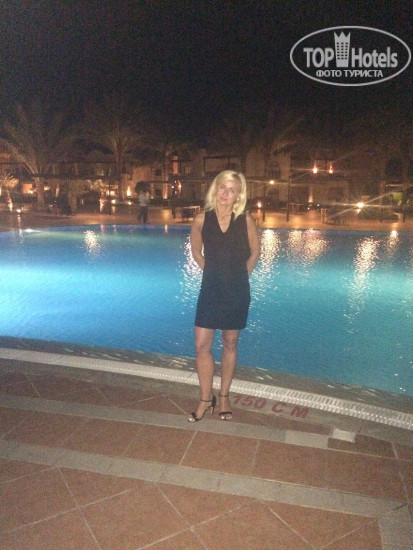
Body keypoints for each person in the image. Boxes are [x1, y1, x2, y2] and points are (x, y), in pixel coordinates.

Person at [188, 170, 260, 422]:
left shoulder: (245, 219)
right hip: (210, 289)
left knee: (230, 343)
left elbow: (255, 252)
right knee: (201, 345)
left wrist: (240, 276)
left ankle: (224, 396)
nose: (226, 194)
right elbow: (196, 252)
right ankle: (205, 399)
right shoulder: (201, 219)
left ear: (239, 195)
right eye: (223, 187)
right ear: (215, 188)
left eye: (232, 190)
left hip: (236, 291)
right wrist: (212, 273)